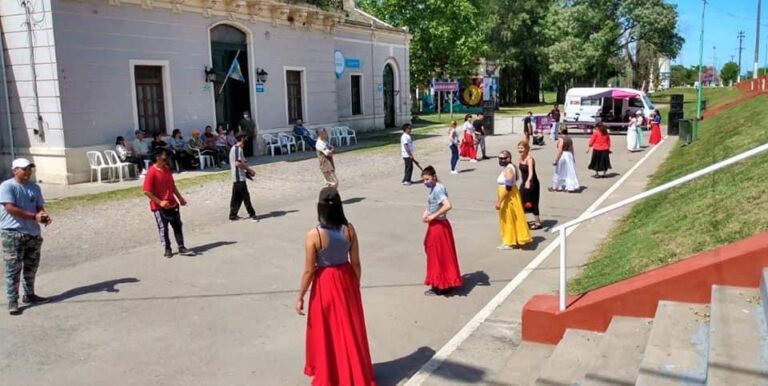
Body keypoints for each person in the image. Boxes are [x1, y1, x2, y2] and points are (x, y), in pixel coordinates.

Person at [297, 187, 375, 386]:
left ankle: (332, 374)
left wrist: (301, 295)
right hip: (346, 278)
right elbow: (356, 262)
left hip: (325, 282)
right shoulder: (349, 229)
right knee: (350, 328)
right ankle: (354, 371)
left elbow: (309, 270)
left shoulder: (313, 235)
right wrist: (355, 283)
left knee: (328, 331)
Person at [1, 158, 51, 315]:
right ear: (15, 170)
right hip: (12, 233)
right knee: (13, 269)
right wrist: (33, 216)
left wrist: (43, 215)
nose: (28, 172)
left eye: (30, 169)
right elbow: (10, 208)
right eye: (24, 169)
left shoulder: (34, 187)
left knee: (31, 267)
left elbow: (39, 206)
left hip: (32, 233)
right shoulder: (7, 186)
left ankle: (30, 295)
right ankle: (12, 300)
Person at [142, 148, 194, 258]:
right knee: (163, 228)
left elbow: (172, 185)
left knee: (177, 225)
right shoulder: (151, 172)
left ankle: (181, 246)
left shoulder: (166, 169)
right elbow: (146, 191)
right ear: (158, 157)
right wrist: (160, 202)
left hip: (172, 203)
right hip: (159, 206)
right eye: (164, 156)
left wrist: (180, 198)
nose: (166, 158)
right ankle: (167, 248)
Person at [420, 166, 463, 295]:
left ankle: (443, 283)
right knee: (435, 252)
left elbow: (447, 205)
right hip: (436, 225)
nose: (425, 182)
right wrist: (426, 212)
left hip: (439, 226)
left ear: (433, 176)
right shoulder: (435, 188)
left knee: (439, 255)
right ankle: (442, 281)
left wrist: (433, 215)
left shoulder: (438, 189)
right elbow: (432, 205)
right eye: (423, 180)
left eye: (427, 179)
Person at [496, 150, 532, 250]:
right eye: (499, 158)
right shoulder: (508, 168)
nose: (500, 160)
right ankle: (513, 239)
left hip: (508, 197)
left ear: (508, 158)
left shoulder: (508, 170)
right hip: (507, 195)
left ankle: (509, 241)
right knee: (510, 218)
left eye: (502, 158)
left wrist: (500, 201)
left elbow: (508, 188)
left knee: (508, 219)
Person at [229, 134, 258, 222]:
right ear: (242, 139)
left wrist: (246, 173)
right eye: (245, 138)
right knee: (246, 197)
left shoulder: (236, 149)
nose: (246, 140)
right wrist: (249, 170)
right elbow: (238, 164)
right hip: (239, 177)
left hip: (237, 177)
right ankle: (252, 214)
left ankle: (233, 215)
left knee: (236, 197)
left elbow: (240, 163)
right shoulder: (238, 149)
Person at [518, 141, 542, 230]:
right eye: (519, 148)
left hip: (532, 183)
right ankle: (521, 221)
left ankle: (538, 222)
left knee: (533, 202)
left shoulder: (529, 159)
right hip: (524, 183)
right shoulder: (520, 157)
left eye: (522, 148)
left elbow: (531, 173)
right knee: (520, 200)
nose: (520, 150)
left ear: (527, 149)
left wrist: (528, 181)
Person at [550, 127, 580, 193]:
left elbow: (560, 150)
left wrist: (556, 160)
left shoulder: (561, 139)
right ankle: (570, 186)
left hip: (563, 155)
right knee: (569, 172)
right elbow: (572, 149)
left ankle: (557, 186)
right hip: (569, 155)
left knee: (559, 171)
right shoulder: (569, 138)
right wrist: (573, 157)